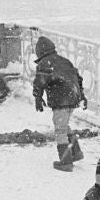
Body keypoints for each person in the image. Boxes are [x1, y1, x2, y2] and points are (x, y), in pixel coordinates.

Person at [33, 36, 87, 171]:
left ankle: (65, 162)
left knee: (60, 130)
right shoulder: (65, 61)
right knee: (63, 124)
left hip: (60, 100)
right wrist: (82, 96)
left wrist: (38, 99)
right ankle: (76, 152)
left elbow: (39, 83)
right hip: (73, 97)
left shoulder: (44, 64)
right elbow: (78, 78)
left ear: (39, 52)